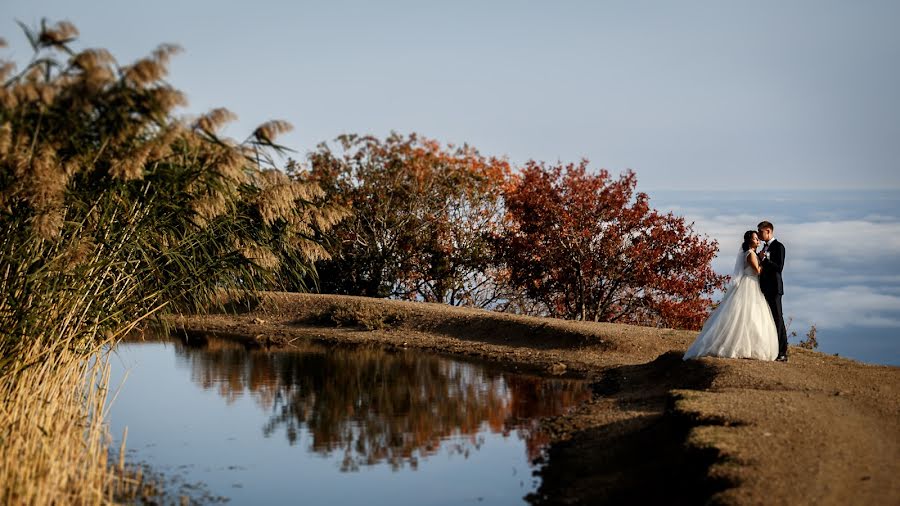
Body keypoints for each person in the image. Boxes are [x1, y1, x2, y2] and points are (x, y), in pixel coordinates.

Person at [684, 230, 778, 361]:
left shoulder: (753, 254)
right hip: (749, 284)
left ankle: (750, 347)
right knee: (745, 315)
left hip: (753, 284)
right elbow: (757, 271)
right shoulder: (750, 254)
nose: (758, 241)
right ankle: (737, 347)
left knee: (752, 316)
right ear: (750, 240)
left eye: (758, 239)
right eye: (756, 238)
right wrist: (765, 261)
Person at [757, 220, 788, 362]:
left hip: (775, 288)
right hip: (764, 288)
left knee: (777, 318)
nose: (759, 234)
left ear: (768, 231)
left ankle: (782, 352)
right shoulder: (763, 248)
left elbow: (779, 267)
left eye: (760, 232)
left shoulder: (778, 246)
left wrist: (765, 260)